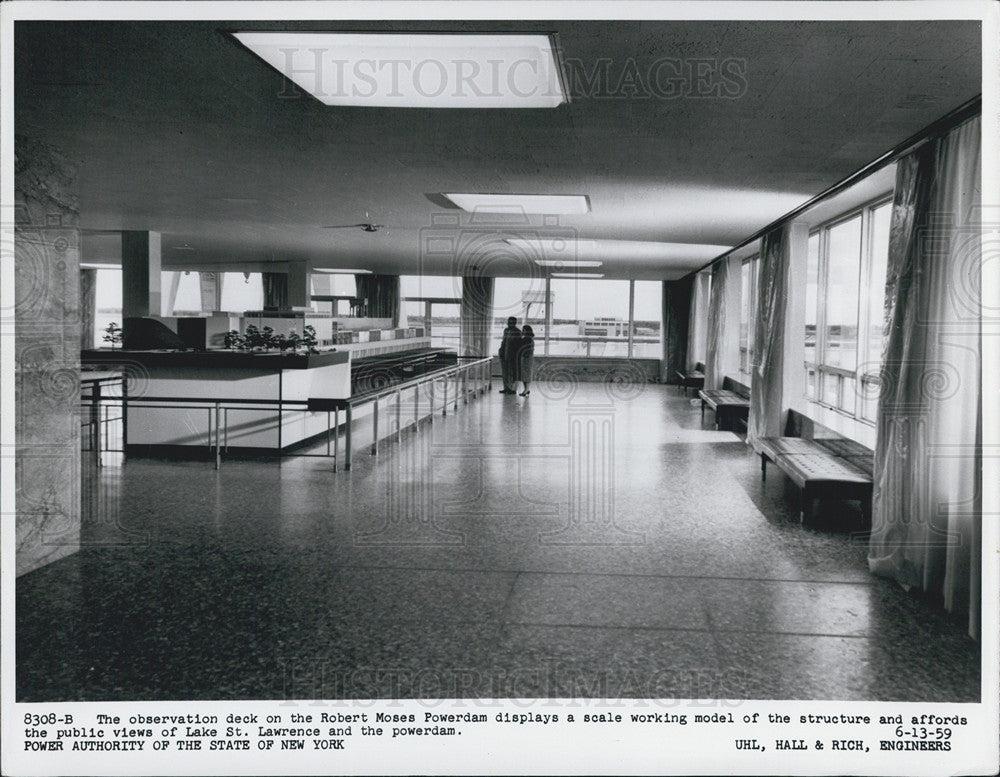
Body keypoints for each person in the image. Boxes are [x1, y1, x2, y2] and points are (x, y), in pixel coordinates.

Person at [498, 317, 521, 394]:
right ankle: (506, 387)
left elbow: (518, 345)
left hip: (513, 355)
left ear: (514, 323)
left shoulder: (518, 332)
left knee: (511, 372)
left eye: (510, 322)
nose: (509, 324)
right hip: (504, 354)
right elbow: (504, 341)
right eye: (508, 322)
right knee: (505, 372)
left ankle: (512, 388)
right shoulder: (506, 330)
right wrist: (501, 351)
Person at [517, 325, 535, 396]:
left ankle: (526, 390)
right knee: (525, 374)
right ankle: (526, 389)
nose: (522, 331)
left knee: (526, 374)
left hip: (527, 358)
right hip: (525, 358)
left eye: (524, 330)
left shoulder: (528, 339)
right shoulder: (528, 338)